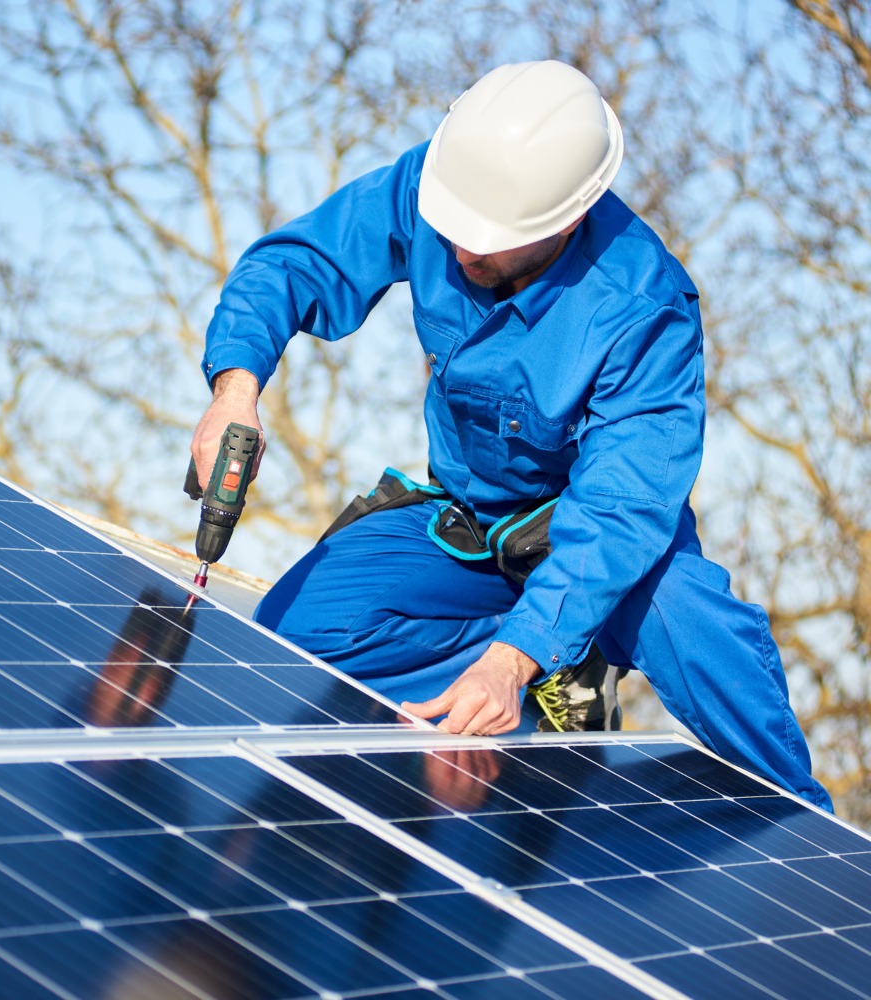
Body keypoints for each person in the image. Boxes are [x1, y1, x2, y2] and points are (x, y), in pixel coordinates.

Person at [189, 60, 831, 811]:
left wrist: (518, 654)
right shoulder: (439, 183)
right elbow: (299, 263)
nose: (460, 254)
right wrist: (236, 390)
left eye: (487, 243)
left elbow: (621, 510)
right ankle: (554, 666)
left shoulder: (642, 307)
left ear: (563, 221)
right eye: (453, 232)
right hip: (466, 526)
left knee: (698, 631)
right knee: (291, 636)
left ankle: (804, 819)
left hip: (587, 541)